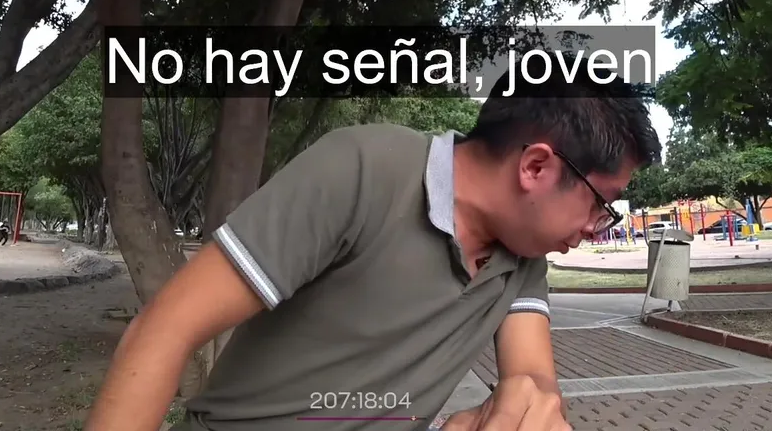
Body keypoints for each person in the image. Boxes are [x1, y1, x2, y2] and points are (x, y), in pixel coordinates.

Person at [85, 70, 660, 431]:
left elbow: (534, 378)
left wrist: (518, 409)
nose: (597, 228)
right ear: (536, 167)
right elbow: (165, 328)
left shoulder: (525, 254)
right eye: (600, 203)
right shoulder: (362, 171)